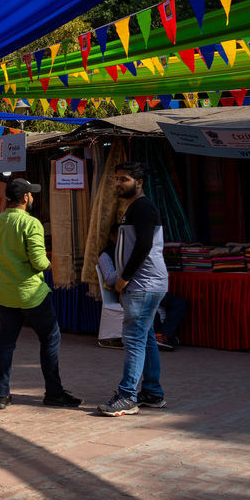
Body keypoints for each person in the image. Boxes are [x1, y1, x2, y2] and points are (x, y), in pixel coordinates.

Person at [0, 178, 82, 410]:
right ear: (25, 198)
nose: (33, 198)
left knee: (5, 343)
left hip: (6, 293)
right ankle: (54, 392)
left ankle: (1, 394)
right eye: (32, 194)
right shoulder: (31, 223)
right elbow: (38, 261)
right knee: (50, 338)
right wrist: (51, 265)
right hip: (31, 294)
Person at [98, 162, 169, 418]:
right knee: (145, 338)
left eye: (124, 179)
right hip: (141, 285)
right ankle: (152, 393)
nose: (118, 184)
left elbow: (145, 245)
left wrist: (124, 278)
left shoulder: (143, 207)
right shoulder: (135, 208)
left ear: (139, 182)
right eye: (116, 179)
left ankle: (127, 395)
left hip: (143, 284)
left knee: (134, 340)